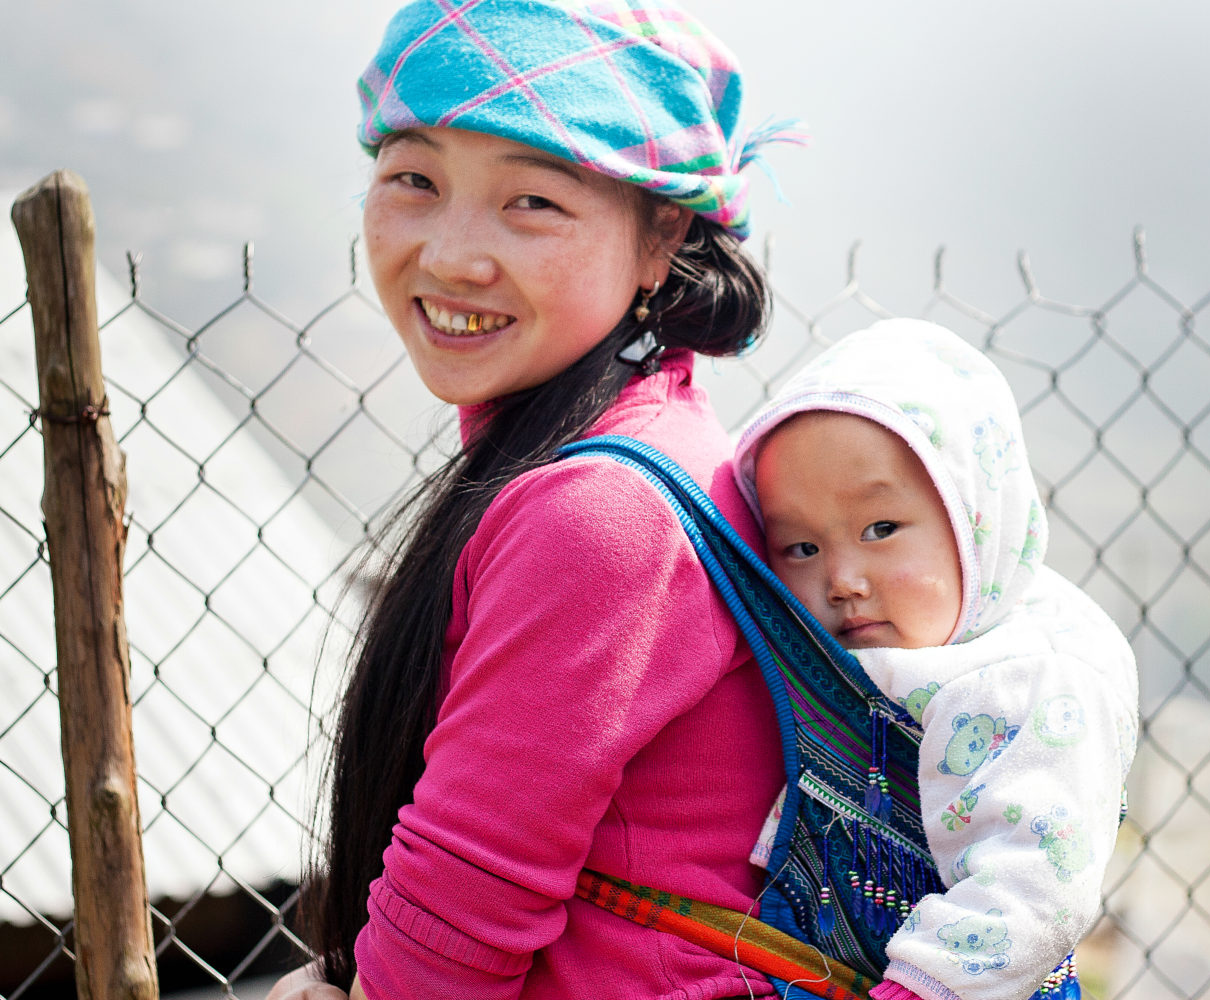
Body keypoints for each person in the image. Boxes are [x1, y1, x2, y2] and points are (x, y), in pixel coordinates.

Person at [268, 2, 807, 998]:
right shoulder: (655, 440)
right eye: (413, 180)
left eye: (533, 203)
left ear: (662, 241)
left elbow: (450, 936)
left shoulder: (599, 513)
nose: (450, 257)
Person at [732, 320, 1140, 1000]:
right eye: (800, 547)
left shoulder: (1035, 677)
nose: (843, 579)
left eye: (881, 529)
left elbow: (1034, 890)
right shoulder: (856, 661)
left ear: (976, 517)